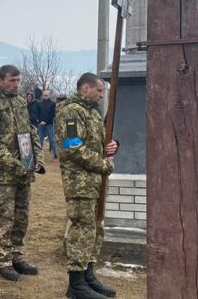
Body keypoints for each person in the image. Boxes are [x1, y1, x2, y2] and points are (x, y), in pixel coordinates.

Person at [0, 64, 45, 281]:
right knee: (4, 219)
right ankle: (3, 261)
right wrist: (16, 164)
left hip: (23, 174)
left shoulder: (19, 102)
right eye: (12, 81)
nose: (16, 85)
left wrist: (37, 159)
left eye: (18, 80)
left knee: (21, 217)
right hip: (2, 176)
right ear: (0, 81)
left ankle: (17, 256)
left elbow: (30, 131)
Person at [55, 73, 119, 299]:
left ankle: (88, 276)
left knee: (95, 228)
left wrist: (112, 146)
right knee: (82, 229)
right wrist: (103, 164)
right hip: (79, 182)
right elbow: (73, 148)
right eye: (99, 90)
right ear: (85, 89)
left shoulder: (92, 112)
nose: (101, 95)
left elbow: (98, 143)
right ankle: (76, 284)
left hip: (95, 181)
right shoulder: (71, 111)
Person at [36, 90, 59, 161]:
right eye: (44, 95)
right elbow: (38, 113)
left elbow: (52, 114)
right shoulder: (39, 103)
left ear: (49, 95)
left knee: (52, 140)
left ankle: (56, 156)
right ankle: (39, 156)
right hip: (41, 124)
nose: (45, 97)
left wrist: (45, 121)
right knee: (40, 140)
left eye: (46, 95)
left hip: (49, 124)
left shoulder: (53, 104)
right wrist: (40, 121)